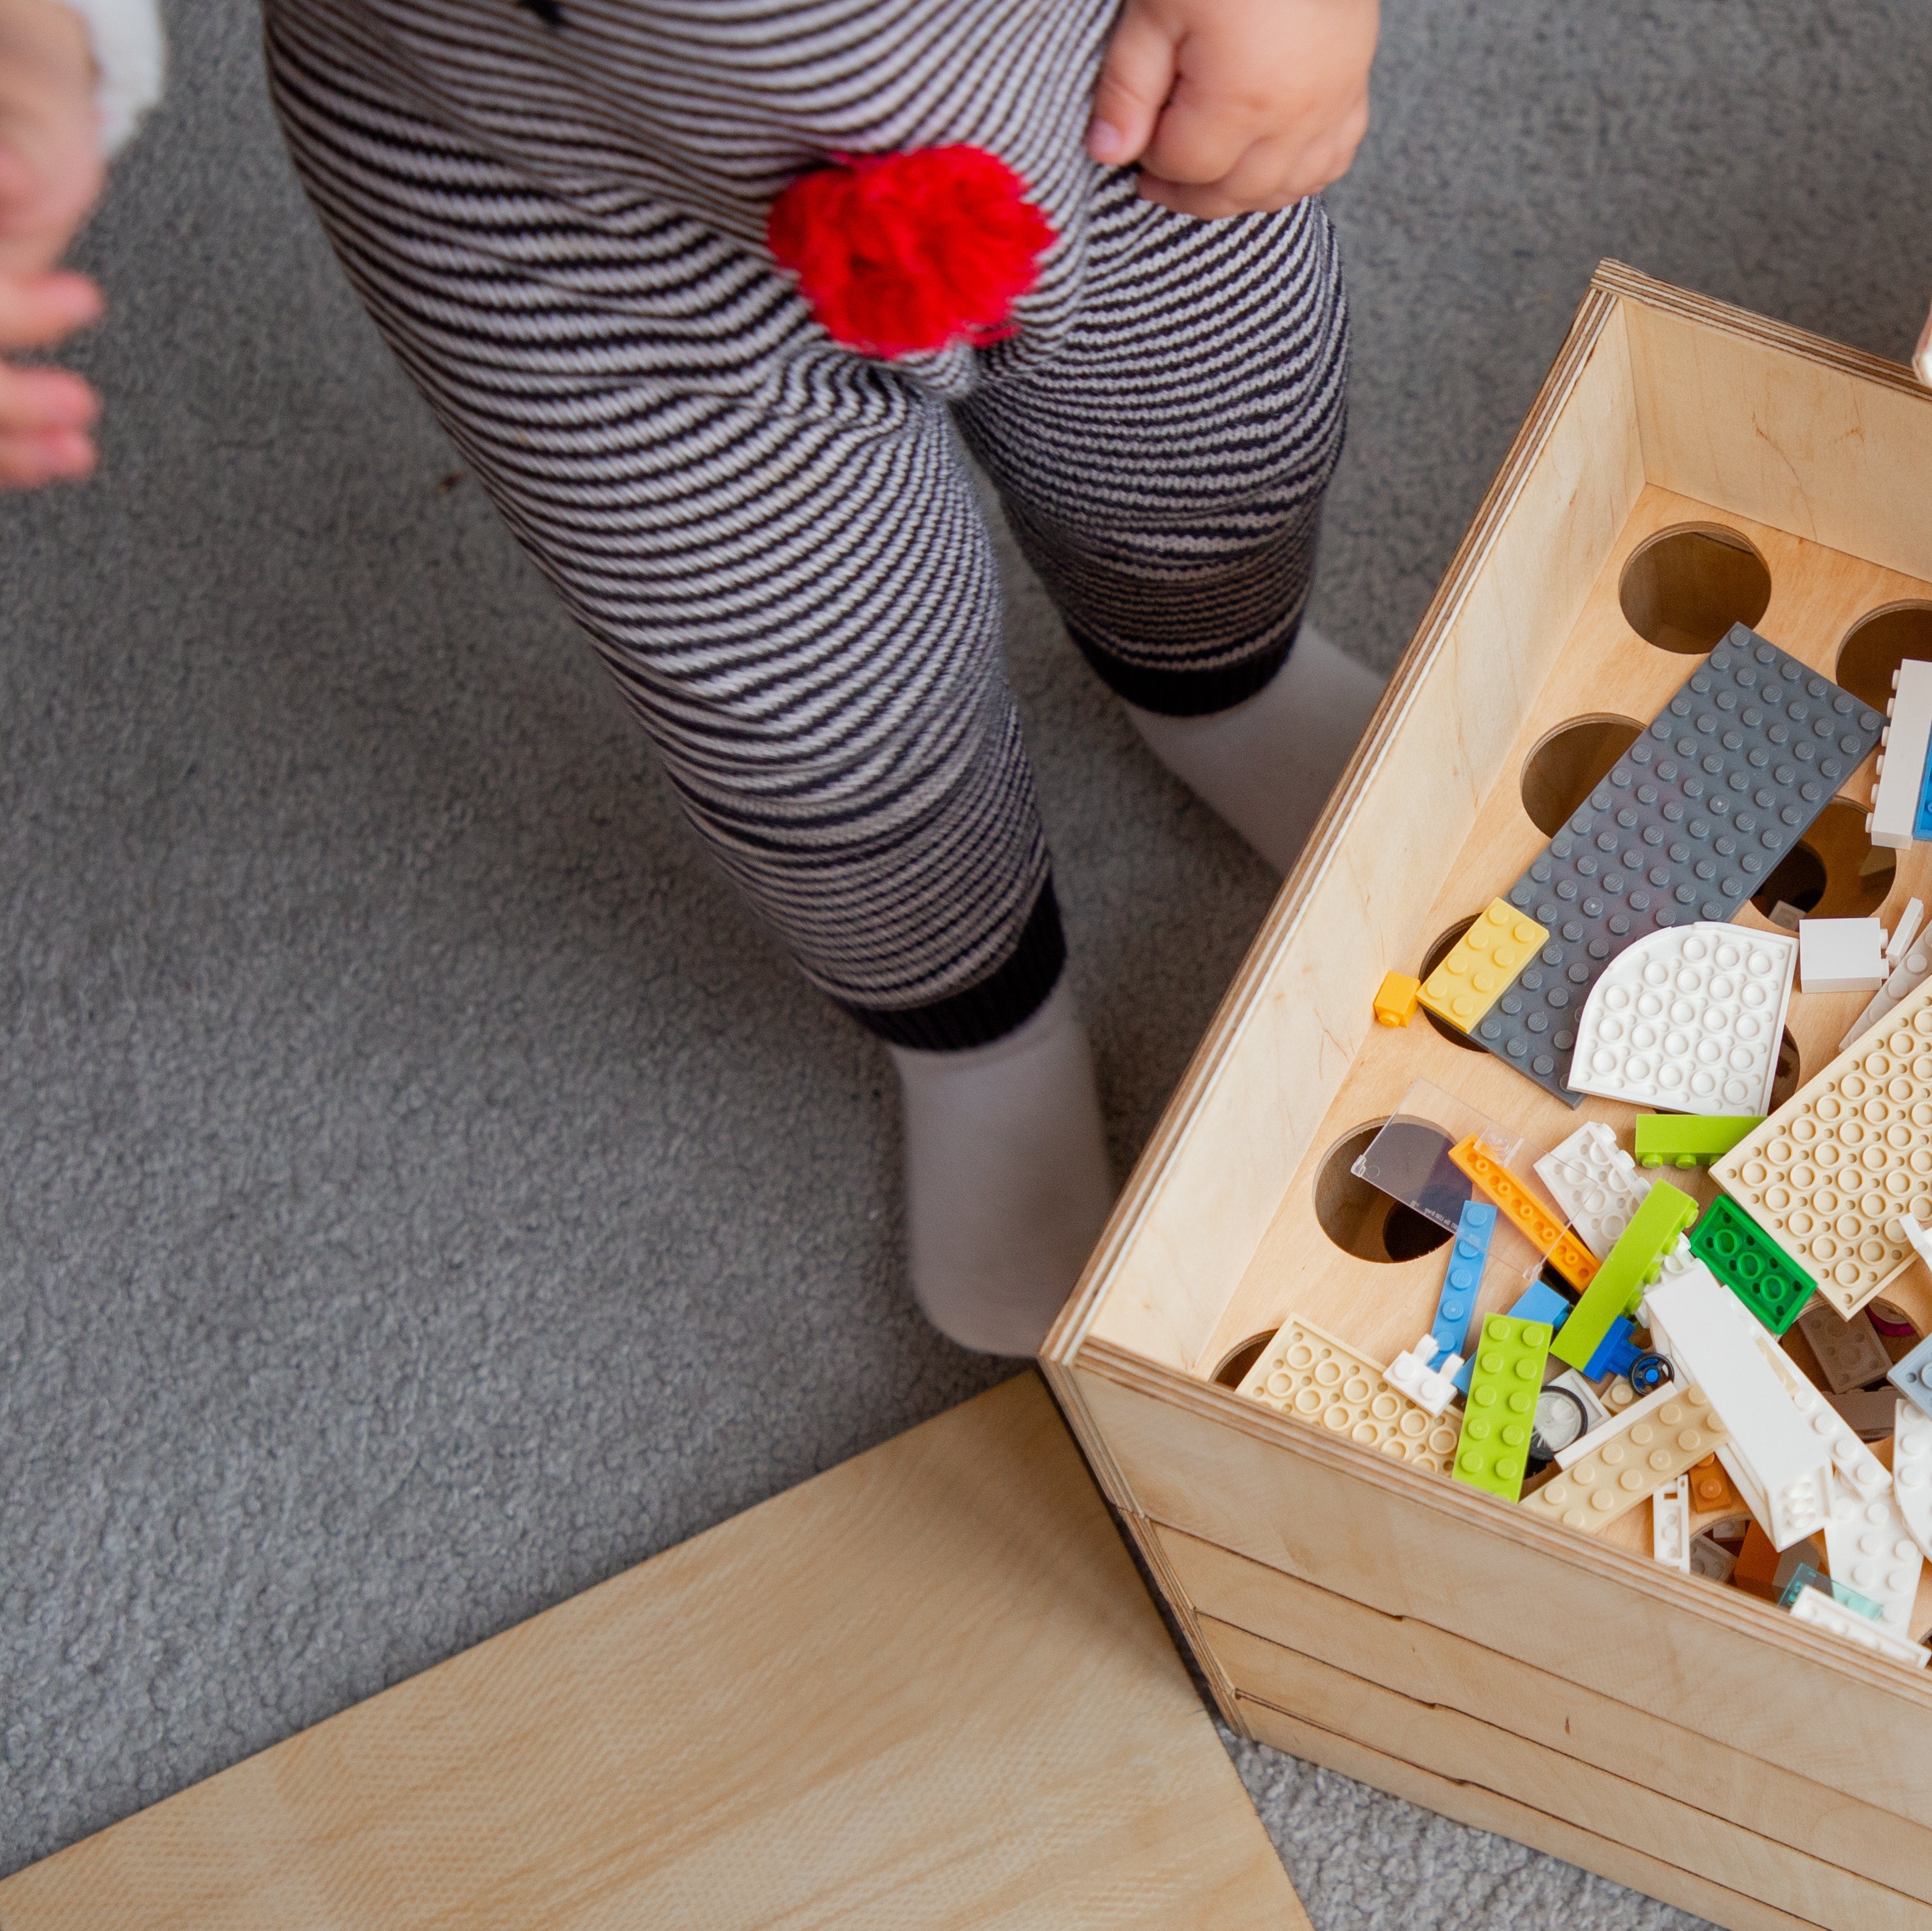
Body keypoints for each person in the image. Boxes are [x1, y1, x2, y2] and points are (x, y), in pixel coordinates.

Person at [0, 0, 1390, 1353]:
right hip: (560, 204)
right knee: (811, 712)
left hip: (1084, 67)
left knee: (1221, 449)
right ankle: (984, 1033)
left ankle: (1228, 686)